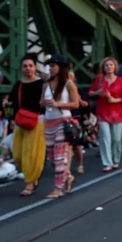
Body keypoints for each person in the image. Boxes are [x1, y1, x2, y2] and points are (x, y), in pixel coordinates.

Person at [3, 54, 46, 196]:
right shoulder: (19, 84)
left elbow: (48, 102)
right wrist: (7, 104)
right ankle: (31, 178)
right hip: (20, 122)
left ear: (35, 67)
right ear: (21, 68)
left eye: (30, 66)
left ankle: (30, 183)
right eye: (25, 66)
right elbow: (12, 102)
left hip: (37, 121)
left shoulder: (42, 84)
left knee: (31, 154)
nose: (28, 69)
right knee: (18, 155)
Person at [41, 54, 80, 199]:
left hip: (63, 121)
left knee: (59, 157)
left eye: (52, 66)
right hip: (48, 122)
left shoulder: (68, 84)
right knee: (52, 156)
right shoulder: (46, 84)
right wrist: (45, 103)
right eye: (49, 66)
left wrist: (58, 104)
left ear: (60, 67)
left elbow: (75, 104)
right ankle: (68, 177)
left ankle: (58, 188)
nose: (50, 69)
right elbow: (41, 103)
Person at [90, 57, 122, 172]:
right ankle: (107, 163)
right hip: (102, 113)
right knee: (105, 138)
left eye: (111, 65)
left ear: (115, 67)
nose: (109, 67)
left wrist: (114, 100)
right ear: (103, 67)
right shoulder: (99, 80)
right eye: (106, 65)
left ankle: (116, 160)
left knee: (117, 139)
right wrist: (98, 92)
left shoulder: (120, 80)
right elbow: (90, 93)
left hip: (117, 113)